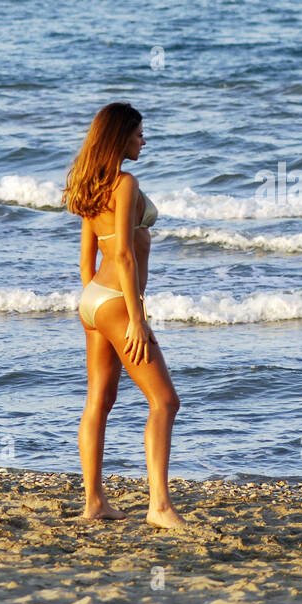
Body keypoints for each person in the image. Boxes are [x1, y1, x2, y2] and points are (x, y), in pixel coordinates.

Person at [61, 102, 185, 529]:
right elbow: (125, 256)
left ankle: (94, 502)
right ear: (120, 138)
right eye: (138, 134)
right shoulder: (125, 183)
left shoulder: (90, 186)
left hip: (94, 299)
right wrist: (136, 317)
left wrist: (95, 305)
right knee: (165, 401)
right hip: (117, 301)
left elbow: (86, 259)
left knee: (99, 400)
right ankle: (160, 507)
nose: (143, 141)